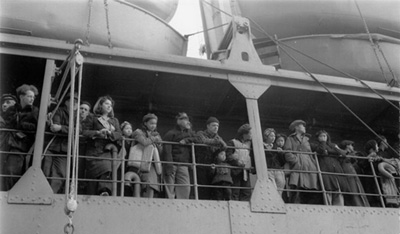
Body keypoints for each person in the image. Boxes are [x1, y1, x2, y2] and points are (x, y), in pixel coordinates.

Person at [82, 95, 122, 196]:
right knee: (93, 178)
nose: (109, 106)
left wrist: (110, 133)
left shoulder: (114, 120)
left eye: (111, 105)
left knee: (107, 167)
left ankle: (104, 191)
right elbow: (85, 132)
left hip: (106, 151)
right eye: (107, 104)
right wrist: (98, 133)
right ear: (100, 105)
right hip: (93, 151)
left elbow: (119, 134)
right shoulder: (92, 117)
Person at [4, 84, 39, 190]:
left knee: (12, 171)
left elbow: (36, 127)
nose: (32, 99)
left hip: (21, 144)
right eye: (29, 96)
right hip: (8, 143)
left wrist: (20, 124)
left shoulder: (35, 111)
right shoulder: (12, 109)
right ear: (21, 97)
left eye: (33, 97)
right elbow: (6, 123)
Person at [43, 93, 79, 193]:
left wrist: (61, 128)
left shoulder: (77, 117)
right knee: (45, 170)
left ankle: (52, 194)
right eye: (73, 101)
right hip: (52, 146)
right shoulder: (58, 111)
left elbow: (78, 130)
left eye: (77, 102)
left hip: (65, 150)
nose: (75, 104)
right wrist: (63, 128)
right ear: (66, 102)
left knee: (60, 174)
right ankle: (43, 192)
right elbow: (55, 126)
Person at [283, 120, 321, 204]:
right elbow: (287, 153)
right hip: (298, 167)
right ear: (296, 127)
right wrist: (296, 161)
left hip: (309, 167)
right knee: (296, 191)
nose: (304, 127)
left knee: (310, 192)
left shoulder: (307, 139)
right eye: (302, 126)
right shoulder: (290, 139)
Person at [126, 114, 162, 198]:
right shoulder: (138, 132)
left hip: (152, 164)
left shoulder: (156, 134)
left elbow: (160, 150)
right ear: (145, 123)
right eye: (151, 123)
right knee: (142, 185)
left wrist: (159, 144)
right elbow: (144, 142)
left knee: (152, 185)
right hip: (139, 163)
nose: (153, 126)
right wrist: (154, 139)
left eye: (155, 124)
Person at [162, 112, 197, 199]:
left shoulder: (190, 133)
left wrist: (187, 140)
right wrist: (168, 165)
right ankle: (170, 205)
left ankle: (181, 206)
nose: (187, 121)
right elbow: (167, 151)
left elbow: (198, 139)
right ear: (178, 121)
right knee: (170, 188)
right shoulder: (170, 134)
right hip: (172, 164)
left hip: (183, 164)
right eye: (184, 119)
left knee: (185, 188)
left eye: (187, 119)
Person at [312, 130, 350, 206]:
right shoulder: (315, 145)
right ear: (317, 138)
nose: (323, 137)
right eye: (321, 136)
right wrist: (323, 144)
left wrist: (328, 151)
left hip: (337, 171)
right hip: (326, 170)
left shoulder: (333, 145)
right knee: (328, 189)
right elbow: (321, 150)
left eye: (324, 136)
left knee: (338, 190)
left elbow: (343, 153)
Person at [195, 117, 227, 200]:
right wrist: (218, 142)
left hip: (212, 166)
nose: (216, 127)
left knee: (212, 189)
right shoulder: (200, 133)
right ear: (208, 126)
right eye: (213, 125)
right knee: (202, 189)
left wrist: (221, 144)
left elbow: (224, 146)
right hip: (200, 165)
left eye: (217, 126)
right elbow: (203, 141)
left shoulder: (218, 137)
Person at [226, 124, 253, 201]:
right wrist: (237, 162)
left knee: (247, 192)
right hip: (235, 171)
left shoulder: (250, 144)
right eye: (250, 133)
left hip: (245, 172)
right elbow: (228, 156)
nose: (252, 135)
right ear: (244, 134)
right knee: (235, 191)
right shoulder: (232, 142)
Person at [339, 140, 370, 207]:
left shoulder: (352, 154)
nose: (352, 147)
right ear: (347, 146)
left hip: (352, 173)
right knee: (354, 190)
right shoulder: (343, 154)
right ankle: (358, 205)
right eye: (351, 145)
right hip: (349, 173)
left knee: (356, 189)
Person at [0, 94, 18, 191]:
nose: (4, 105)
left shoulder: (17, 117)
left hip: (12, 148)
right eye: (3, 103)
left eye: (8, 102)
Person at [263, 128, 285, 196]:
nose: (273, 138)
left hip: (278, 169)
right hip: (268, 169)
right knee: (272, 188)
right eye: (271, 136)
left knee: (280, 188)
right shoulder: (261, 146)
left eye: (274, 136)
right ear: (266, 136)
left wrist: (281, 154)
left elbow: (282, 162)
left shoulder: (276, 147)